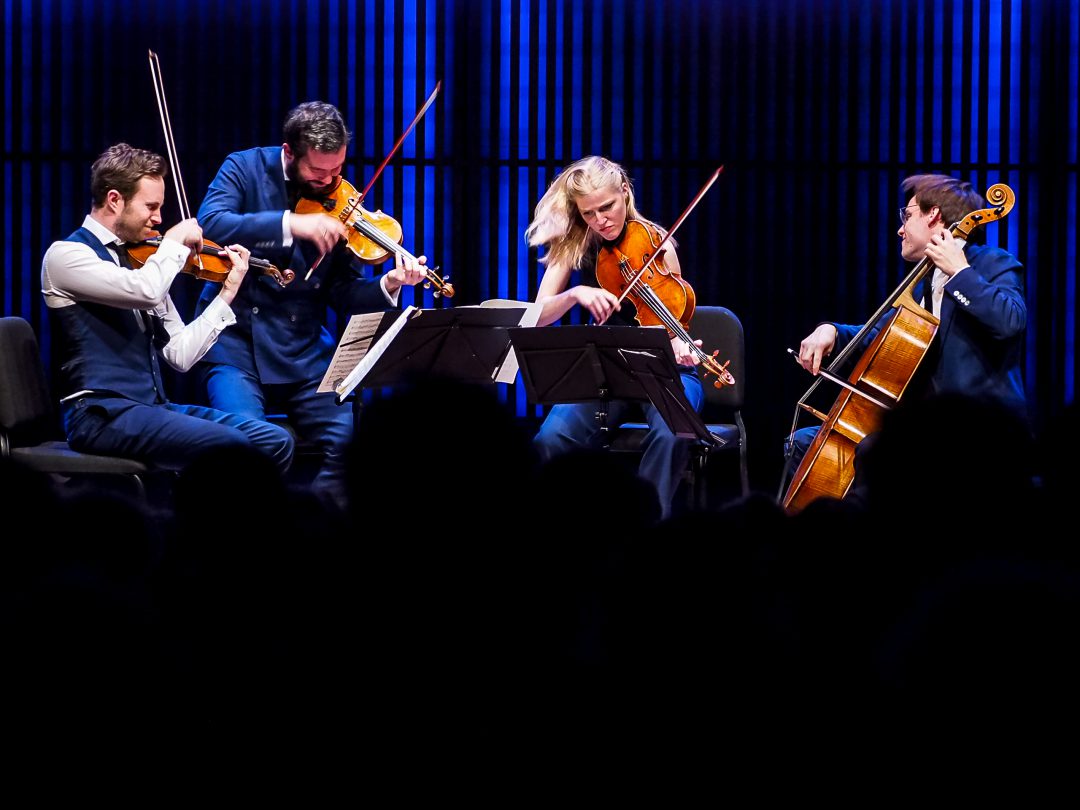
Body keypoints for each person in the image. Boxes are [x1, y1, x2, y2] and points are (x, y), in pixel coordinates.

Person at [195, 101, 427, 510]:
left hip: (302, 351)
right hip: (235, 345)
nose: (330, 181)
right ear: (289, 152)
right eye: (318, 173)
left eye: (337, 170)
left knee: (351, 436)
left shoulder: (341, 200)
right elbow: (210, 223)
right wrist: (290, 223)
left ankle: (324, 529)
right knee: (246, 443)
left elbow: (343, 294)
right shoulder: (244, 168)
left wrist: (388, 284)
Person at [40, 143, 294, 472]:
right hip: (100, 414)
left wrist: (227, 291)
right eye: (151, 206)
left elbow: (180, 355)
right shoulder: (66, 256)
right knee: (230, 447)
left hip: (149, 408)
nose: (159, 218)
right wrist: (173, 243)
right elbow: (145, 291)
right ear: (115, 199)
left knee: (273, 440)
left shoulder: (140, 259)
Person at [786, 173, 1028, 481]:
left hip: (979, 429)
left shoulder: (992, 263)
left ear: (934, 215)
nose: (901, 229)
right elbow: (884, 336)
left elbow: (1010, 322)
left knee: (874, 454)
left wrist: (959, 272)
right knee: (805, 443)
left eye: (908, 215)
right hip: (927, 427)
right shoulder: (921, 284)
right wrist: (831, 330)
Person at [525, 155, 705, 519]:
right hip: (605, 375)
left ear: (625, 192)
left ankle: (648, 528)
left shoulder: (658, 243)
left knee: (675, 431)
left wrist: (680, 345)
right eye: (588, 213)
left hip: (665, 371)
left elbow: (675, 321)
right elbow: (535, 318)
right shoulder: (575, 245)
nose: (600, 220)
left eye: (606, 207)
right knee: (550, 440)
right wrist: (574, 295)